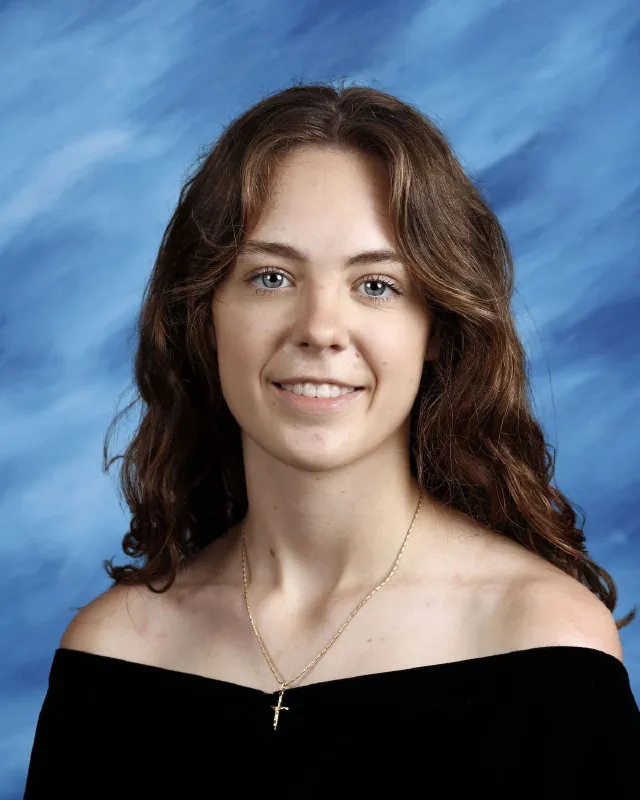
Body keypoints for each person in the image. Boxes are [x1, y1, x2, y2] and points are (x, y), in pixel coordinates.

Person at [24, 80, 640, 796]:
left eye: (376, 285)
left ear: (438, 328)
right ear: (204, 317)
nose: (319, 329)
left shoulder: (546, 643)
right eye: (271, 277)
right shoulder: (114, 654)